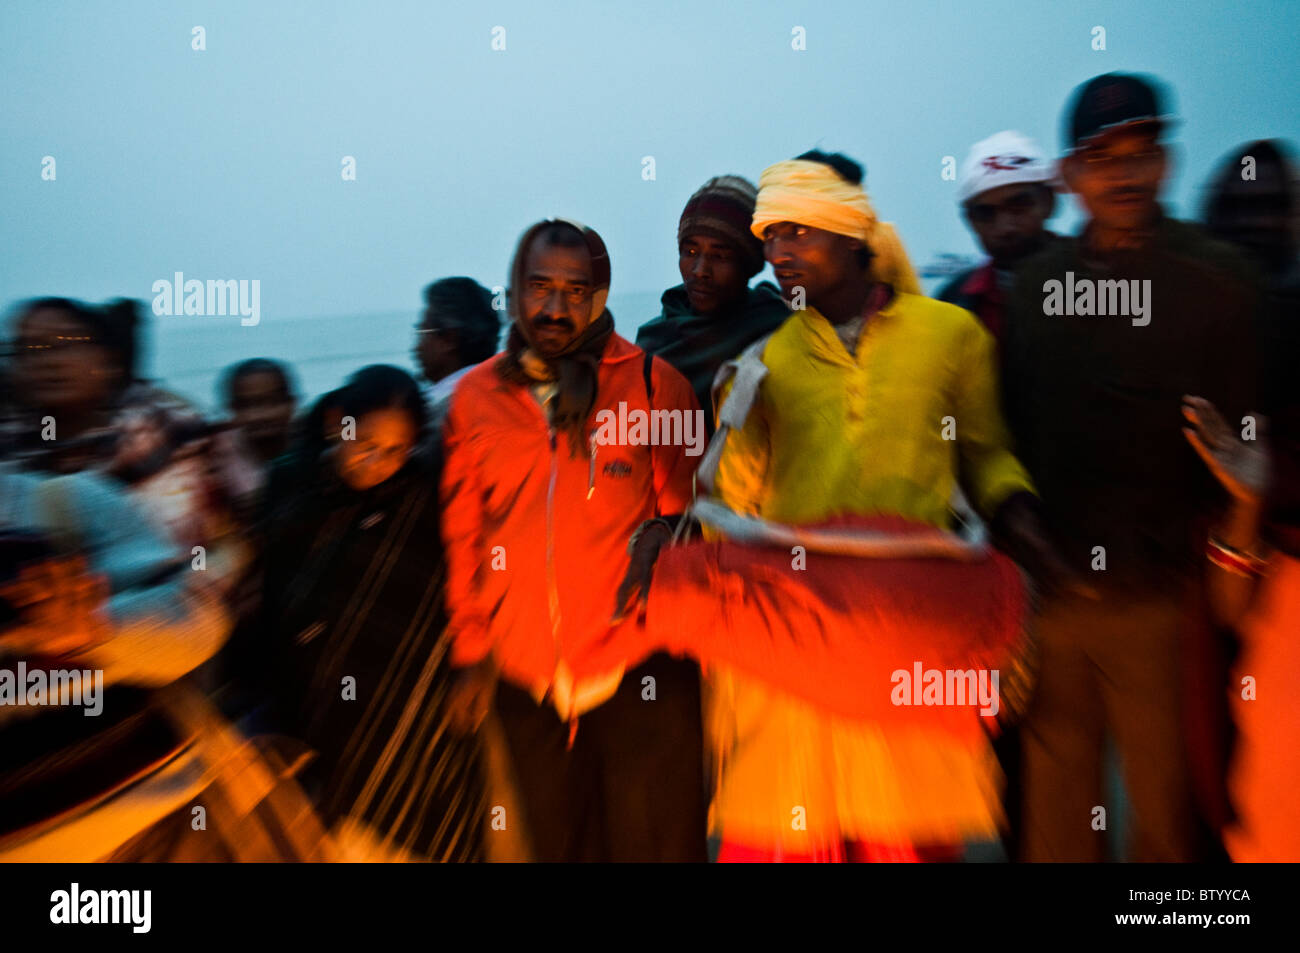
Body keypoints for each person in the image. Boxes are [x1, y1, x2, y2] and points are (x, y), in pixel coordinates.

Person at [695, 149, 1060, 862]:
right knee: (790, 838)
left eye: (797, 232)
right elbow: (732, 502)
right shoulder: (764, 360)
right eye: (770, 237)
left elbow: (985, 454)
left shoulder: (950, 336)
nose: (778, 253)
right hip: (802, 633)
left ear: (852, 232)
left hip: (911, 627)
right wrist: (732, 414)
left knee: (905, 839)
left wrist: (1020, 517)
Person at [1001, 73, 1259, 862]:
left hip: (1166, 600)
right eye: (1100, 155)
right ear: (1070, 174)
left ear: (1167, 163)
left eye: (1140, 152)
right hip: (1054, 601)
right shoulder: (1038, 289)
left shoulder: (1220, 284)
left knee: (1169, 825)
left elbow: (1249, 450)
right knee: (1056, 824)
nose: (1122, 172)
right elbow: (1009, 437)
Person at [440, 219, 707, 861]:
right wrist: (472, 652)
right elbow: (464, 533)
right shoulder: (476, 398)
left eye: (575, 289)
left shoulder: (653, 386)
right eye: (539, 286)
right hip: (527, 680)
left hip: (636, 667)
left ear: (598, 293)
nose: (556, 307)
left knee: (658, 846)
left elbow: (689, 525)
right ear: (514, 290)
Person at [260, 365, 487, 861]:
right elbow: (273, 588)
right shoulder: (290, 480)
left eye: (395, 451)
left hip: (410, 692)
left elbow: (463, 581)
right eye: (364, 443)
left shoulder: (424, 495)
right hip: (312, 687)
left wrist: (471, 667)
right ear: (337, 422)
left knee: (418, 816)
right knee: (329, 821)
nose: (376, 463)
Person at [636, 175, 789, 427]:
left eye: (719, 256)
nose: (700, 270)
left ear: (748, 264)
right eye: (691, 252)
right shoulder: (654, 340)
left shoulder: (776, 330)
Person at [938, 131, 1059, 345]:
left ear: (1049, 202)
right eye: (985, 213)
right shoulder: (955, 301)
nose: (1005, 227)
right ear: (970, 221)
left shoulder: (1101, 283)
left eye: (1019, 206)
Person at [413, 277, 501, 433]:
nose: (416, 348)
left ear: (448, 339)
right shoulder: (506, 398)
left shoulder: (436, 418)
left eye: (422, 332)